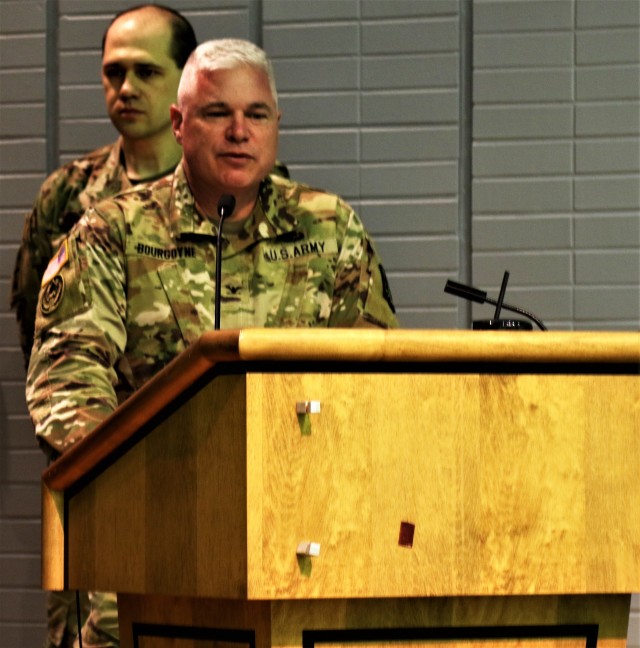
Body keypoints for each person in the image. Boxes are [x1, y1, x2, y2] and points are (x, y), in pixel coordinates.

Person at [26, 38, 398, 647]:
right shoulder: (113, 231)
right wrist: (144, 489)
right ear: (179, 124)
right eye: (216, 114)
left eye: (255, 115)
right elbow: (66, 379)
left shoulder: (330, 228)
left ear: (277, 125)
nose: (238, 132)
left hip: (300, 547)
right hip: (152, 551)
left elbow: (375, 373)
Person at [10, 5, 198, 648]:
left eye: (147, 71)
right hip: (97, 476)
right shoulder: (69, 196)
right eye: (113, 72)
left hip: (205, 473)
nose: (126, 88)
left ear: (187, 82)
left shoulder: (239, 191)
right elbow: (39, 339)